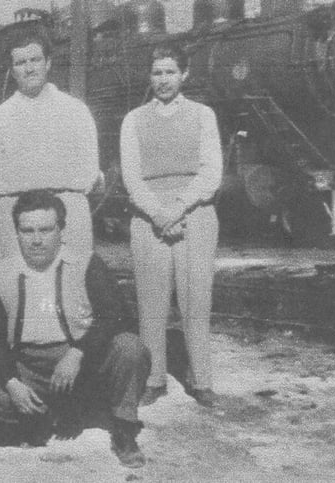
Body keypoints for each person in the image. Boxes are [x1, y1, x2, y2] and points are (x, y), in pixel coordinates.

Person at [0, 190, 150, 468]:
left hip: (79, 362)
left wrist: (78, 352)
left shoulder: (86, 263)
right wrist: (12, 383)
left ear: (61, 230)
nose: (36, 239)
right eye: (27, 230)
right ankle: (52, 415)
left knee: (130, 347)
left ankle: (124, 429)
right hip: (28, 365)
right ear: (16, 233)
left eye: (45, 229)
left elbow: (117, 316)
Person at [119, 45, 222, 407]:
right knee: (151, 302)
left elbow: (211, 173)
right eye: (157, 73)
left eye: (170, 72)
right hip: (149, 219)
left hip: (195, 214)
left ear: (185, 75)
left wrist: (177, 209)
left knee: (197, 301)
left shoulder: (203, 115)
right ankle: (153, 378)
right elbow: (132, 178)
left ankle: (202, 380)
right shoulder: (133, 119)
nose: (163, 80)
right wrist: (159, 214)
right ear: (150, 76)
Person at [0, 31, 102, 262]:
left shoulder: (75, 110)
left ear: (48, 63)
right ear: (11, 70)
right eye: (21, 63)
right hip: (14, 213)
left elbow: (89, 169)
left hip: (67, 211)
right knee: (17, 290)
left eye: (35, 60)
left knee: (71, 287)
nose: (29, 68)